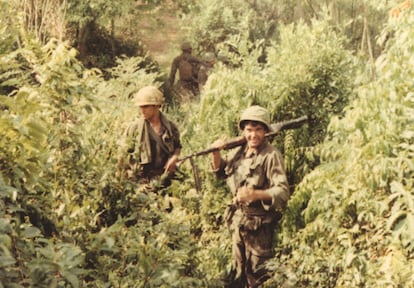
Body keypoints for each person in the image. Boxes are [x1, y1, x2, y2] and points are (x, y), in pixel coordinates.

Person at [210, 105, 290, 288]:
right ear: (243, 131)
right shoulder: (239, 151)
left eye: (258, 129)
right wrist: (216, 153)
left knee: (259, 276)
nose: (253, 135)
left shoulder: (271, 155)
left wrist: (256, 194)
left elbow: (283, 191)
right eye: (249, 130)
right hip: (239, 221)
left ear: (266, 131)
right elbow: (221, 171)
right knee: (240, 272)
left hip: (260, 226)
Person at [117, 86, 181, 189]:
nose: (142, 110)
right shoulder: (134, 129)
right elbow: (123, 157)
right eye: (140, 107)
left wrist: (174, 158)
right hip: (142, 182)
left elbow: (177, 146)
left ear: (156, 106)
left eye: (146, 106)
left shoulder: (170, 128)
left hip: (166, 180)